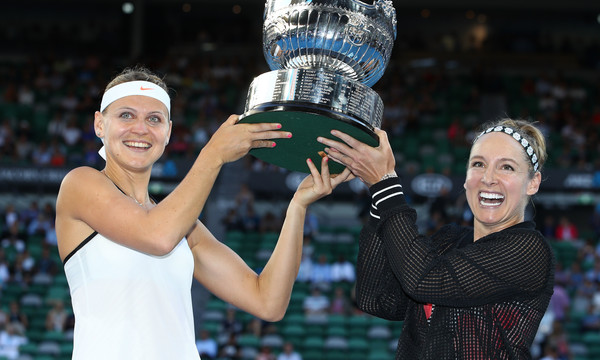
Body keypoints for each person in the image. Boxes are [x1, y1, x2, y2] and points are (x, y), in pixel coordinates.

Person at [55, 66, 352, 360]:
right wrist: (214, 153)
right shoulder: (80, 183)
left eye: (154, 119)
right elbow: (158, 236)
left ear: (168, 131)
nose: (141, 128)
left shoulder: (184, 225)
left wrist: (298, 206)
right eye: (126, 115)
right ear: (99, 124)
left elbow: (268, 301)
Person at [318, 118, 555, 359]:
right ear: (465, 178)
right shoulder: (448, 240)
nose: (488, 178)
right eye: (478, 164)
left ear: (533, 183)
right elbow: (376, 299)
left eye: (507, 167)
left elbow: (425, 280)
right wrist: (376, 189)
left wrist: (385, 183)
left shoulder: (529, 250)